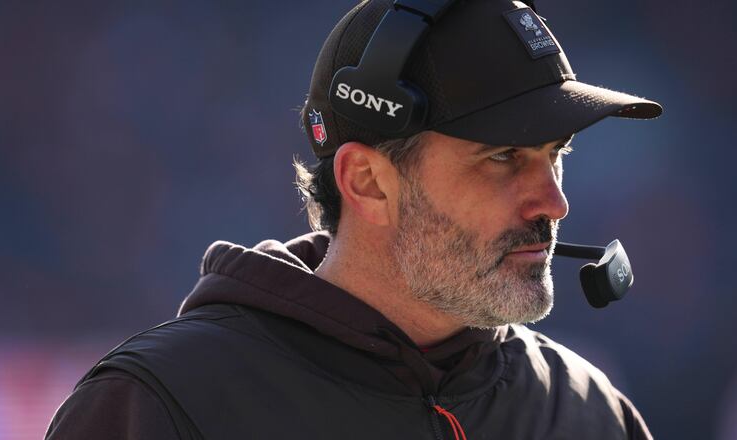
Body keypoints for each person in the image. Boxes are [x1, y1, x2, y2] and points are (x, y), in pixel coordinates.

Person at [46, 0, 662, 439]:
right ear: (367, 182)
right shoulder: (162, 405)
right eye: (502, 157)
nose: (553, 203)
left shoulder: (589, 414)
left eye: (556, 156)